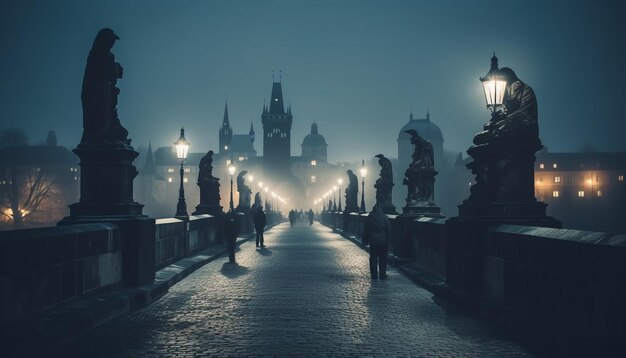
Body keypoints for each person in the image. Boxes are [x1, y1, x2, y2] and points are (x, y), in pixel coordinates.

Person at [363, 205, 391, 280]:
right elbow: (388, 229)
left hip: (373, 240)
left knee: (373, 258)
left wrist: (365, 240)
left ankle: (374, 275)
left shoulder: (370, 217)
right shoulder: (384, 217)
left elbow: (366, 229)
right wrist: (388, 239)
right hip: (383, 241)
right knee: (383, 258)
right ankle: (382, 274)